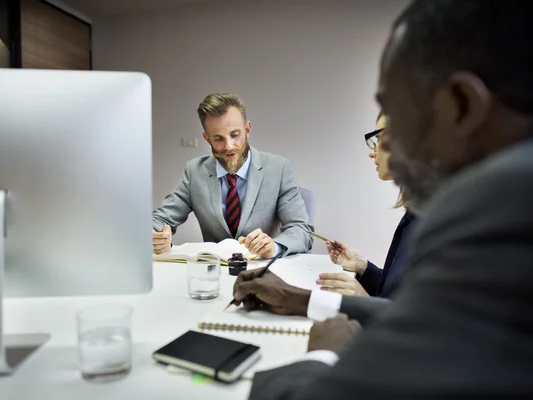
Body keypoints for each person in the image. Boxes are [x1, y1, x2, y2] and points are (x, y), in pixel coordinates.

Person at [237, 1, 533, 398]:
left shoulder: (500, 214)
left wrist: (321, 357)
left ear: (461, 105)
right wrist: (302, 299)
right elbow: (429, 318)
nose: (385, 142)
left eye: (393, 110)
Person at [152, 93, 312, 258]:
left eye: (235, 135)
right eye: (218, 138)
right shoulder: (195, 171)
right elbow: (159, 219)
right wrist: (156, 235)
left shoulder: (280, 169)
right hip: (214, 272)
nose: (228, 146)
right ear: (207, 138)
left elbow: (301, 230)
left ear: (248, 129)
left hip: (262, 270)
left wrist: (274, 247)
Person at [318, 112, 415, 298]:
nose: (372, 152)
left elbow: (418, 320)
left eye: (379, 138)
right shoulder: (414, 213)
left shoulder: (435, 221)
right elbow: (394, 292)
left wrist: (363, 299)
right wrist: (362, 267)